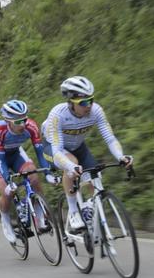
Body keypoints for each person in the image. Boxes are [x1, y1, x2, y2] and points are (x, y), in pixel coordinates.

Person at [40, 76, 133, 233]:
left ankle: (89, 208)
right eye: (83, 103)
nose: (88, 106)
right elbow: (57, 150)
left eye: (91, 100)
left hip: (78, 146)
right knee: (72, 164)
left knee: (95, 180)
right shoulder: (58, 114)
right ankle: (74, 213)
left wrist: (121, 157)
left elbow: (110, 138)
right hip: (54, 148)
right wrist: (71, 167)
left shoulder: (96, 111)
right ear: (71, 102)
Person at [0, 99, 53, 244]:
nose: (22, 124)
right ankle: (6, 220)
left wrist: (48, 173)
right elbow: (0, 160)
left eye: (24, 120)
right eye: (18, 122)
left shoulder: (31, 126)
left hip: (15, 153)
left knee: (34, 176)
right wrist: (8, 181)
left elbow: (40, 153)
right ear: (8, 121)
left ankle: (40, 217)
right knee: (7, 191)